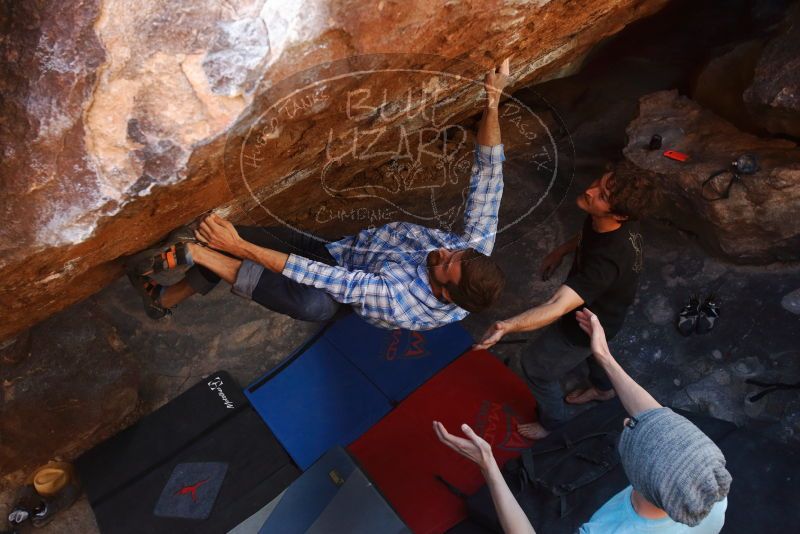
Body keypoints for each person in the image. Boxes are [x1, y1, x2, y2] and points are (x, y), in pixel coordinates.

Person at [127, 59, 512, 331]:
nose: (445, 250)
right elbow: (489, 177)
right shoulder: (471, 249)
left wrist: (233, 247)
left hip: (344, 287)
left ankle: (201, 253)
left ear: (445, 294)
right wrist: (493, 100)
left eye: (447, 264)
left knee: (312, 302)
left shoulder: (402, 305)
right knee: (240, 236)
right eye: (456, 251)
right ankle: (163, 301)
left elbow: (326, 279)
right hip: (342, 250)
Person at [435, 308, 731, 534]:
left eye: (635, 428)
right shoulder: (709, 491)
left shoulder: (610, 531)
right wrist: (604, 357)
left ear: (637, 474)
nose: (629, 421)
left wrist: (488, 465)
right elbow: (655, 421)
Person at [475, 161, 655, 438]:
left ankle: (552, 425)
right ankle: (604, 389)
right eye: (599, 181)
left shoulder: (606, 264)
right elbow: (588, 234)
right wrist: (561, 250)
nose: (590, 191)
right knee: (598, 354)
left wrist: (506, 326)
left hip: (585, 325)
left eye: (602, 196)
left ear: (619, 215)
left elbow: (557, 306)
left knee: (535, 367)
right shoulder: (608, 219)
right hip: (610, 313)